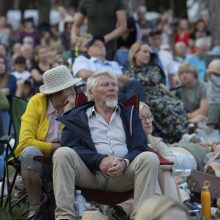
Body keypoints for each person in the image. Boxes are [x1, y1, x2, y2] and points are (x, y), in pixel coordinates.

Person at [53, 71, 162, 220]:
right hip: (90, 174)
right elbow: (71, 146)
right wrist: (100, 160)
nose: (112, 88)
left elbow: (140, 146)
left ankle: (142, 217)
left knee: (149, 158)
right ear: (91, 93)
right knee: (62, 153)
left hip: (123, 175)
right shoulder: (76, 117)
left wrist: (124, 162)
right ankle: (64, 217)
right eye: (105, 85)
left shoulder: (129, 114)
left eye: (114, 85)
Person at [14, 65, 81, 219]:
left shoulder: (75, 105)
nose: (74, 92)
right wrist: (56, 147)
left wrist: (69, 114)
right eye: (70, 88)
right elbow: (25, 142)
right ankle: (35, 208)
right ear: (57, 93)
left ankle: (70, 207)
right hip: (38, 158)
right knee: (30, 152)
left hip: (66, 159)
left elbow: (78, 141)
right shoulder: (36, 102)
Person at [127, 42, 187, 143]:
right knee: (165, 107)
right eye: (144, 52)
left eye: (149, 52)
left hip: (159, 94)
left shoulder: (153, 68)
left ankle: (180, 135)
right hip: (146, 98)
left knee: (178, 104)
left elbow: (153, 79)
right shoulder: (129, 71)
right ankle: (174, 136)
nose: (147, 55)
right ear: (135, 54)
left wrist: (136, 78)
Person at [139, 102, 180, 200]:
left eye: (149, 117)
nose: (148, 121)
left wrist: (156, 164)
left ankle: (171, 210)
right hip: (135, 189)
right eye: (142, 118)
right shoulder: (127, 144)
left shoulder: (153, 141)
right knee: (164, 172)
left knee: (165, 172)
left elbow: (173, 159)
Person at [206, 59, 220, 129]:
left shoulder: (215, 78)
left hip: (215, 102)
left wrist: (214, 70)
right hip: (212, 102)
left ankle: (209, 134)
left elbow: (208, 72)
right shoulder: (213, 77)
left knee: (211, 122)